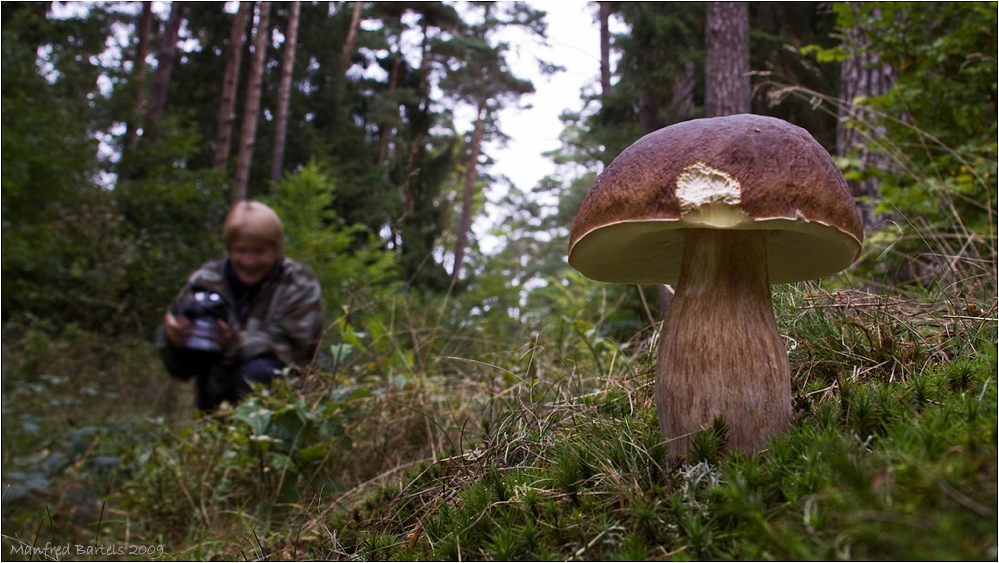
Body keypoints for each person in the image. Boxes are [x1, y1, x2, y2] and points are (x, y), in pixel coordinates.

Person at [157, 201, 323, 411]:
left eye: (258, 251)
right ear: (228, 248)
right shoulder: (205, 281)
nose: (248, 261)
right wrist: (176, 340)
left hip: (287, 402)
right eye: (241, 250)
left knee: (258, 372)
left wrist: (227, 342)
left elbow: (292, 349)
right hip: (215, 397)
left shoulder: (299, 283)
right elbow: (180, 370)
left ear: (277, 248)